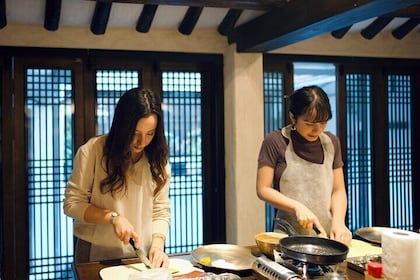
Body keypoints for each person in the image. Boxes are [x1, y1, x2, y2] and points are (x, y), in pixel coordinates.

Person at [63, 87, 171, 267]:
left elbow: (160, 209)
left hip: (141, 254)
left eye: (149, 134)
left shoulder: (157, 159)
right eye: (135, 134)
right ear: (122, 127)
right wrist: (113, 217)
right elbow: (72, 204)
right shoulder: (92, 152)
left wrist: (158, 246)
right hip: (95, 252)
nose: (142, 142)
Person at [256, 85, 352, 246]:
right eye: (309, 123)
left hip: (326, 235)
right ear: (293, 117)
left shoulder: (331, 142)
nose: (317, 129)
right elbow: (263, 189)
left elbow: (338, 190)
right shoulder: (275, 141)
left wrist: (339, 222)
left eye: (323, 122)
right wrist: (297, 206)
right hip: (288, 236)